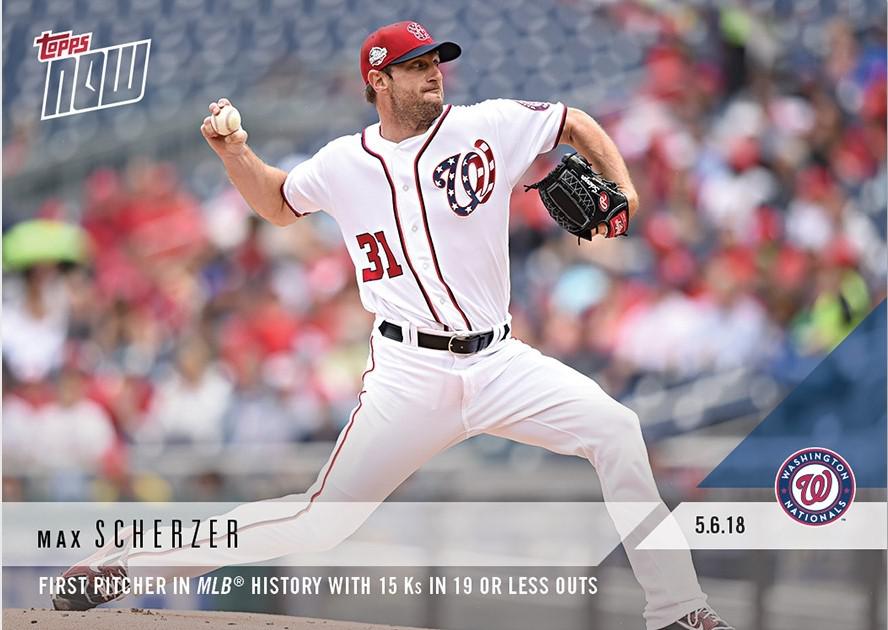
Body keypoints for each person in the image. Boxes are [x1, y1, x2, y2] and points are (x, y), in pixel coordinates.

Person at [54, 21, 733, 630]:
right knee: (321, 521)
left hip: (499, 362)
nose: (433, 70)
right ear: (377, 79)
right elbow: (279, 202)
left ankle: (676, 611)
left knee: (617, 429)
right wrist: (233, 150)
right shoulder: (343, 162)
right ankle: (130, 565)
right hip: (410, 374)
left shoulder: (487, 124)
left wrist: (627, 185)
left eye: (435, 60)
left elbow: (574, 122)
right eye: (414, 65)